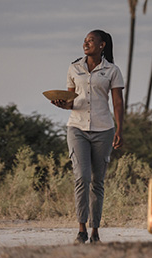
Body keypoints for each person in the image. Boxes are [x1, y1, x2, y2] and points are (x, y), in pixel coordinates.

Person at [50, 30, 124, 244]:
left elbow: (118, 102)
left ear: (102, 45)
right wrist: (63, 104)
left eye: (91, 40)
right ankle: (81, 229)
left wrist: (120, 129)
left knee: (98, 181)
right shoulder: (74, 67)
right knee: (82, 176)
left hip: (104, 129)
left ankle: (95, 231)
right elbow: (72, 100)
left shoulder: (112, 70)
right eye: (85, 40)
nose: (86, 43)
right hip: (77, 128)